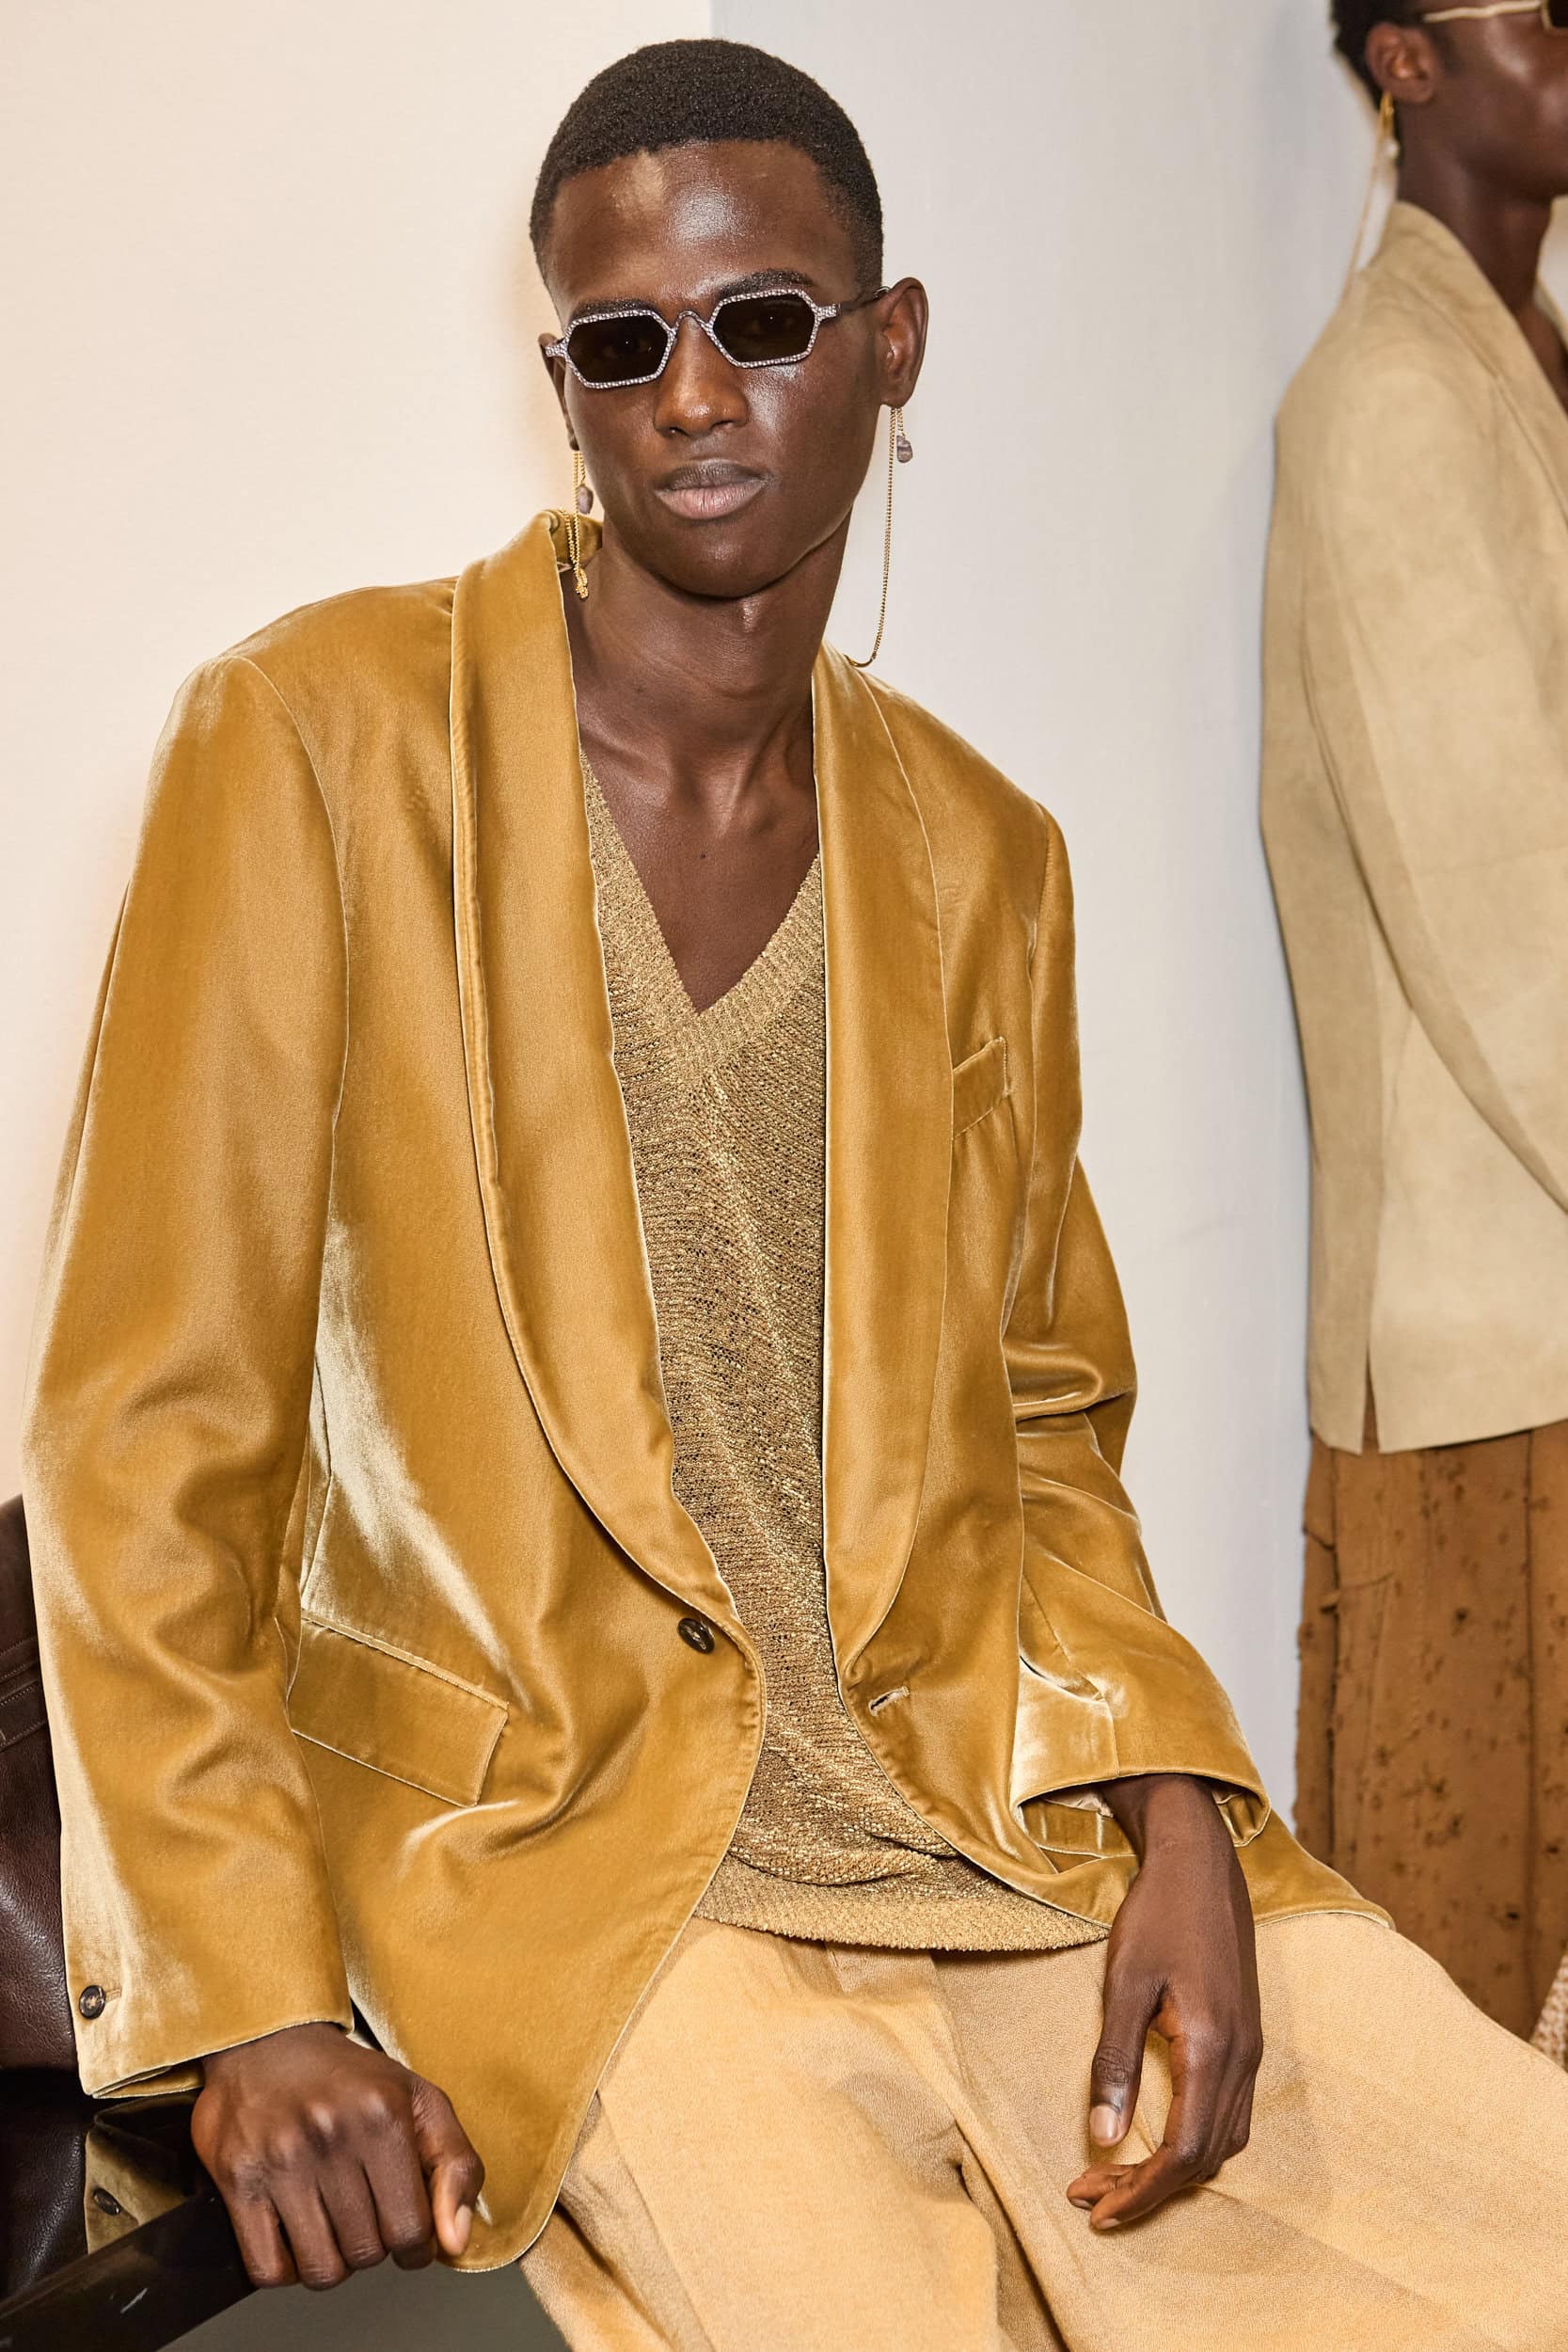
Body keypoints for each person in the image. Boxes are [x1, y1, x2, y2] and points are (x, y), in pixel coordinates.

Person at [20, 36, 1568, 2349]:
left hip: (983, 1818)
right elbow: (143, 1444)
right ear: (562, 383)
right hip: (586, 1893)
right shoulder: (315, 746)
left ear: (891, 343)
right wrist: (251, 1995)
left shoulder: (984, 854)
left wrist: (1175, 1799)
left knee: (1506, 2210)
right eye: (619, 343)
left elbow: (1046, 1423)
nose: (690, 396)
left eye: (761, 320)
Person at [1262, 0, 1568, 2051]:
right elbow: (1504, 919)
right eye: (1545, 13)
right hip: (1492, 1367)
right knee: (1482, 2045)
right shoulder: (1389, 392)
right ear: (1405, 63)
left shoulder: (1523, 361)